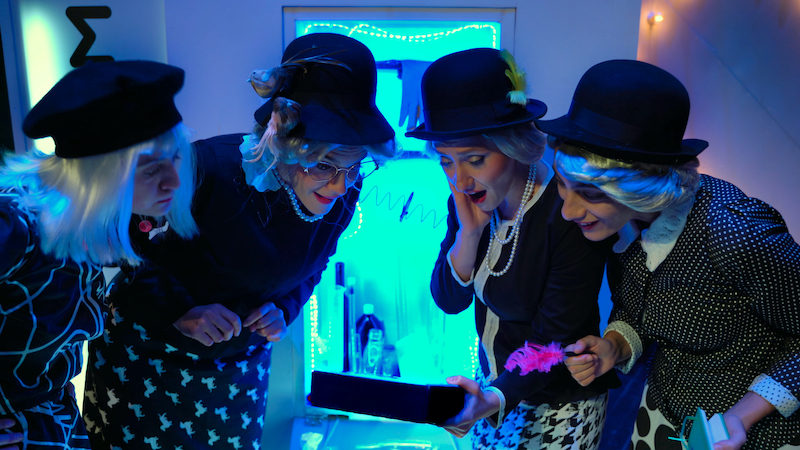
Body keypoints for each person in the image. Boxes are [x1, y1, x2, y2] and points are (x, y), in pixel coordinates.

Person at [82, 33, 400, 449]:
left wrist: (285, 308)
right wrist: (179, 310)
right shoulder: (206, 169)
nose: (341, 186)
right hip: (147, 363)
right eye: (323, 165)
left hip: (238, 376)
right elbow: (125, 246)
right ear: (286, 142)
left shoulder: (343, 188)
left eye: (355, 167)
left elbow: (316, 264)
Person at [537, 59, 800, 450]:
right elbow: (637, 311)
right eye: (563, 184)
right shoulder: (621, 226)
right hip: (660, 418)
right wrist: (613, 346)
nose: (568, 211)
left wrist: (741, 416)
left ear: (638, 187)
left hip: (749, 435)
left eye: (589, 194)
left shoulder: (733, 233)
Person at [405, 48, 619, 449]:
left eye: (475, 159)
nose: (460, 179)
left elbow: (554, 335)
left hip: (558, 407)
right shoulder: (465, 201)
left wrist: (494, 398)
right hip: (493, 390)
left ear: (514, 144)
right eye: (446, 161)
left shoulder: (567, 213)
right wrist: (468, 234)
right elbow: (449, 300)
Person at [0, 60, 196, 450]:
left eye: (175, 157)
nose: (174, 181)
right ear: (97, 172)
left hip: (53, 420)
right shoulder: (16, 226)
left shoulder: (90, 220)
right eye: (149, 169)